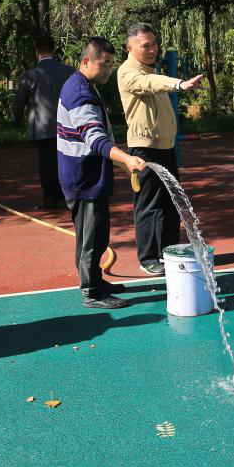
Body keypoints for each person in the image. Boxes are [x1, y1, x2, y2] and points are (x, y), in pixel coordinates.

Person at [58, 37, 148, 309]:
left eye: (111, 64)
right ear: (86, 61)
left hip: (86, 173)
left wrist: (120, 164)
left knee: (95, 234)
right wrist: (126, 159)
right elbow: (95, 139)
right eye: (104, 64)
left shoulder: (85, 85)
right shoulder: (80, 93)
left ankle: (95, 280)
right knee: (92, 237)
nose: (109, 69)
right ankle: (92, 292)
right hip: (83, 177)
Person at [116, 23, 203, 275]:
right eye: (146, 45)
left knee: (171, 201)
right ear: (129, 48)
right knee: (150, 204)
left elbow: (155, 80)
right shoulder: (128, 72)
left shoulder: (152, 70)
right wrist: (180, 84)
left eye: (154, 44)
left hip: (166, 146)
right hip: (145, 148)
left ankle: (169, 252)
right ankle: (148, 257)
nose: (152, 49)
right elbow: (151, 83)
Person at [13, 35, 75, 209]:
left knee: (47, 164)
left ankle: (50, 198)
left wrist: (15, 121)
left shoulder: (31, 75)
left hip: (43, 128)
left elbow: (19, 102)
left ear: (37, 52)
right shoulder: (69, 72)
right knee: (66, 161)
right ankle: (67, 194)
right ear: (53, 50)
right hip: (67, 126)